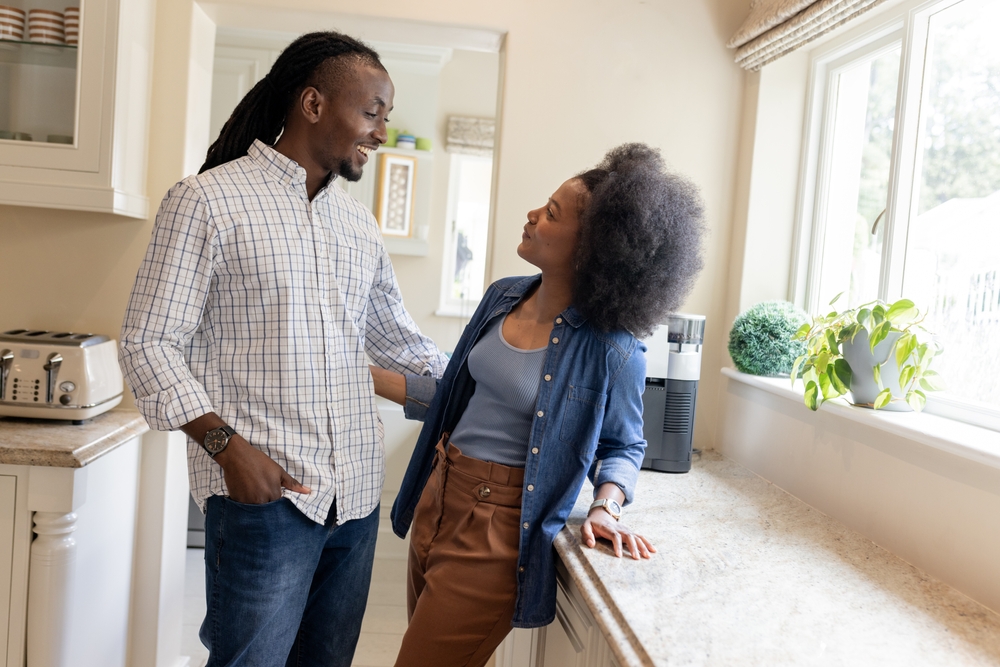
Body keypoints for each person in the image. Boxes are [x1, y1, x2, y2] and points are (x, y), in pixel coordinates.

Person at [118, 31, 448, 667]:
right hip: (263, 503)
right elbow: (149, 342)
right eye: (372, 111)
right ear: (314, 104)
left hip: (352, 503)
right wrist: (227, 448)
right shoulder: (207, 201)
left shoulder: (357, 225)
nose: (381, 132)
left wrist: (497, 372)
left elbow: (399, 340)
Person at [369, 143, 707, 666]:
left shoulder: (612, 350)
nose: (531, 215)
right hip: (440, 495)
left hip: (498, 530)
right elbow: (456, 394)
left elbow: (624, 444)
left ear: (592, 249)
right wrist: (362, 377)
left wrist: (607, 506)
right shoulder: (503, 296)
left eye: (551, 213)